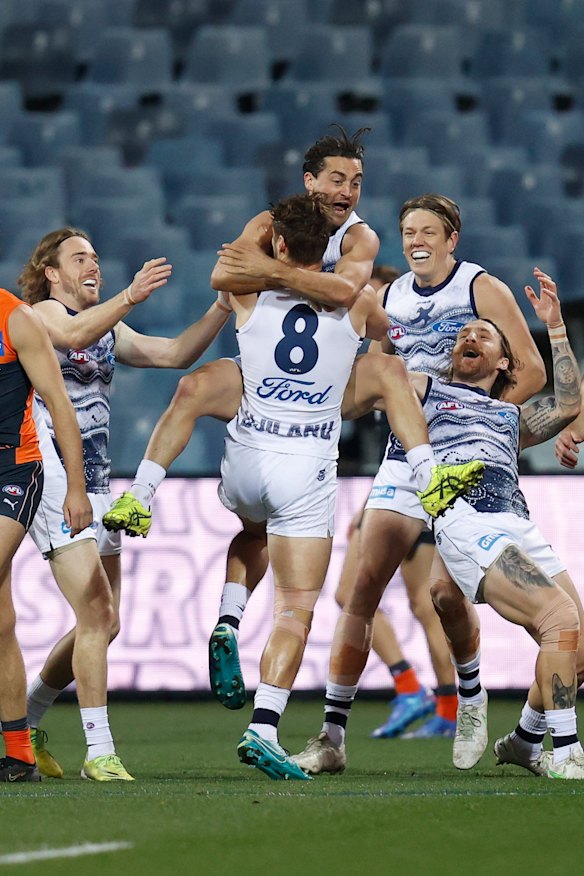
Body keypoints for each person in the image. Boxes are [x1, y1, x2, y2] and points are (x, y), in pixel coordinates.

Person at [215, 192, 482, 781]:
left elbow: (224, 271)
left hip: (252, 447)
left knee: (194, 399)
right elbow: (384, 328)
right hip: (314, 456)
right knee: (309, 607)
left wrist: (263, 246)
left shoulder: (249, 294)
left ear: (280, 243)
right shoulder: (355, 298)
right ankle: (269, 725)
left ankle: (225, 613)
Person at [291, 193, 547, 775]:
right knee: (361, 590)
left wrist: (479, 425)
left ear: (452, 239)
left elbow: (529, 369)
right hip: (406, 460)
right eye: (408, 231)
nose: (416, 241)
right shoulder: (388, 297)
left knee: (444, 595)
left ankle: (472, 695)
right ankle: (331, 738)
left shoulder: (482, 288)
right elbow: (379, 377)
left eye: (428, 230)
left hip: (465, 465)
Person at [17, 227, 232, 780]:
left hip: (96, 485)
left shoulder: (106, 329)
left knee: (106, 623)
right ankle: (100, 752)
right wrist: (130, 297)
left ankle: (29, 720)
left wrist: (221, 306)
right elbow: (71, 334)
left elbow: (175, 353)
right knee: (96, 613)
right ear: (52, 273)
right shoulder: (37, 316)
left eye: (96, 256)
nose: (94, 265)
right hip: (52, 482)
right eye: (80, 258)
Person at [335, 263, 457, 739]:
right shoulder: (398, 347)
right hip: (414, 475)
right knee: (394, 600)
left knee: (398, 601)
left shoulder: (410, 351)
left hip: (419, 479)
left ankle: (429, 698)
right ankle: (430, 701)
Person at [0, 285, 92, 782]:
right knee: (0, 622)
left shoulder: (15, 318)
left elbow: (59, 402)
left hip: (13, 471)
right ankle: (18, 755)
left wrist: (75, 488)